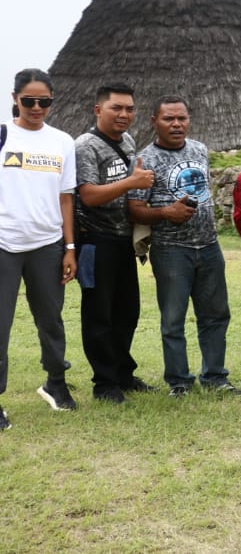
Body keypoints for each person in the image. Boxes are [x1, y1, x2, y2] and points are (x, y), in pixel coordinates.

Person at [128, 96, 241, 397]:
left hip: (209, 246)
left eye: (182, 118)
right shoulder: (144, 160)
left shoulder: (199, 149)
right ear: (154, 121)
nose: (176, 124)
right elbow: (135, 209)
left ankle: (215, 377)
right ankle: (179, 382)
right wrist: (167, 212)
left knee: (216, 315)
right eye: (169, 119)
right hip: (171, 250)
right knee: (173, 320)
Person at [0, 68, 79, 425]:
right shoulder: (3, 136)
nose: (36, 108)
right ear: (15, 98)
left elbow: (66, 198)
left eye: (43, 102)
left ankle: (56, 383)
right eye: (28, 100)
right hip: (4, 244)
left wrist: (69, 247)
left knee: (51, 320)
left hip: (47, 245)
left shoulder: (62, 141)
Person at [74, 83, 156, 403]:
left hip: (122, 239)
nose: (124, 114)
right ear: (98, 110)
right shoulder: (86, 146)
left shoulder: (129, 141)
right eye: (116, 108)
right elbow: (88, 195)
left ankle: (123, 373)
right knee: (99, 313)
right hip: (95, 239)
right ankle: (104, 383)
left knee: (127, 310)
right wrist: (131, 182)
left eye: (129, 109)